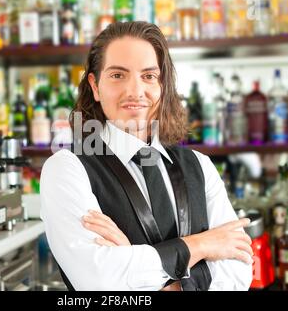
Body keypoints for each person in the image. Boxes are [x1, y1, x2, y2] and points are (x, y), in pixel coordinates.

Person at [40, 22, 253, 291]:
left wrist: (135, 264)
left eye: (149, 76)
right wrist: (202, 245)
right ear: (95, 86)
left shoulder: (200, 166)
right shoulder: (67, 169)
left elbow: (239, 271)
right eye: (118, 75)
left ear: (162, 84)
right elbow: (99, 282)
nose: (135, 91)